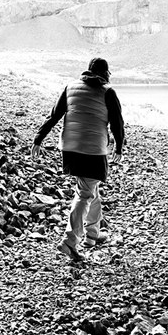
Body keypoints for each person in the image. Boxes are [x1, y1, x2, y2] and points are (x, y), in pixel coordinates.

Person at [32, 56, 126, 264]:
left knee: (91, 188)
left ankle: (93, 234)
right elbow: (117, 122)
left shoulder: (70, 87)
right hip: (92, 150)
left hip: (70, 149)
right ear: (105, 74)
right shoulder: (108, 92)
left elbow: (54, 116)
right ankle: (70, 241)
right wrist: (119, 146)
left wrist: (38, 139)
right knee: (84, 193)